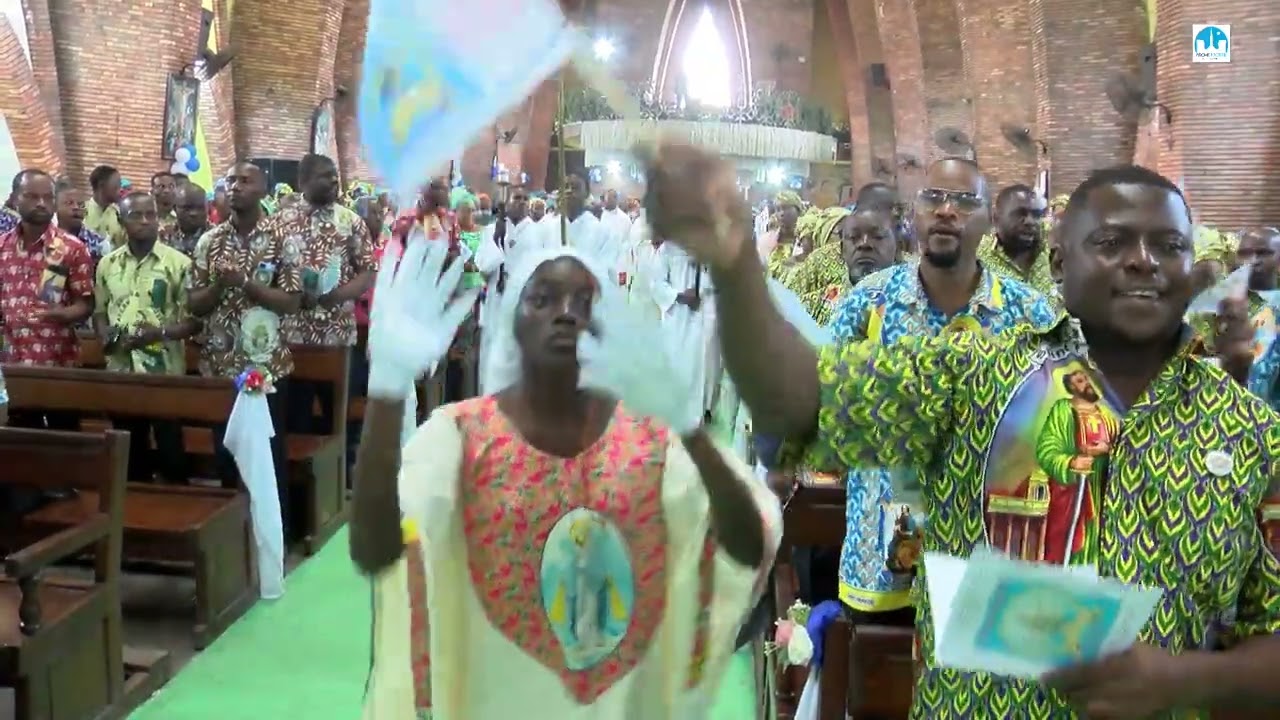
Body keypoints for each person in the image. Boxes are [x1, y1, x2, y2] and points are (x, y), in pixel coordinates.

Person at [645, 143, 1280, 717]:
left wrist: (1184, 680)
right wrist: (735, 267)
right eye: (1112, 242)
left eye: (1168, 246)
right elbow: (802, 401)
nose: (1143, 262)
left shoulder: (1253, 435)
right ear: (1061, 263)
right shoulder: (978, 375)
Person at [351, 238, 780, 719]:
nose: (567, 313)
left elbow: (743, 546)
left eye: (585, 301)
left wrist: (690, 429)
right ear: (513, 318)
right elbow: (373, 550)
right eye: (543, 299)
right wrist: (386, 390)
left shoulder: (649, 443)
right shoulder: (459, 437)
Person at [188, 161, 302, 524]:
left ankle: (272, 533)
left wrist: (246, 283)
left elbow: (292, 301)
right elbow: (194, 304)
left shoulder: (284, 239)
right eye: (231, 180)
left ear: (264, 191)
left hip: (266, 365)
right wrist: (220, 286)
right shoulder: (211, 240)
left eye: (245, 181)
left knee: (268, 452)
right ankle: (233, 535)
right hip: (220, 364)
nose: (235, 186)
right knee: (226, 451)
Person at [94, 192, 199, 482]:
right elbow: (100, 311)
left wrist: (159, 333)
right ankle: (133, 514)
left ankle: (179, 511)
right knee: (130, 452)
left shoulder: (179, 264)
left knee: (170, 451)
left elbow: (193, 322)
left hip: (164, 370)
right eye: (135, 215)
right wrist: (107, 338)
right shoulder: (108, 264)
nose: (144, 221)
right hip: (121, 368)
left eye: (150, 215)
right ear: (121, 220)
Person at [270, 153, 374, 434]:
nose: (333, 180)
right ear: (303, 181)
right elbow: (267, 270)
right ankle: (299, 477)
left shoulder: (351, 222)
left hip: (336, 335)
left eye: (334, 175)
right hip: (292, 336)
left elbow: (367, 271)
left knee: (339, 420)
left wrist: (335, 297)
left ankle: (344, 472)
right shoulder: (280, 222)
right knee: (295, 420)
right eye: (324, 175)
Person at [788, 205, 900, 327]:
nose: (864, 244)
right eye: (853, 237)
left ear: (898, 245)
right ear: (841, 249)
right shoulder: (811, 309)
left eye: (878, 236)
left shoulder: (916, 306)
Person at [978, 184, 1057, 299]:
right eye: (1019, 214)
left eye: (1036, 214)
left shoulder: (1051, 246)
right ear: (996, 219)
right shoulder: (979, 258)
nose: (1030, 221)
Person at [53, 181, 109, 263]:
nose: (76, 207)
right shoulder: (44, 239)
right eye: (69, 203)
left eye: (80, 204)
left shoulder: (99, 244)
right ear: (54, 207)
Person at [161, 181, 212, 256]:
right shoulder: (163, 235)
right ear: (175, 208)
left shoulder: (219, 237)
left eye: (200, 208)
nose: (194, 213)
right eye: (187, 208)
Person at [86, 164, 126, 248]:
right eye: (117, 185)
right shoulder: (82, 212)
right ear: (101, 186)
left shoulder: (118, 213)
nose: (121, 189)